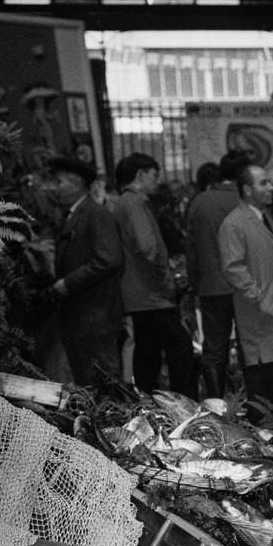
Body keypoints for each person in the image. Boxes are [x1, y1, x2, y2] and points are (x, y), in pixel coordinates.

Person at [218, 163, 273, 416]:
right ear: (247, 189)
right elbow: (233, 268)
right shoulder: (234, 223)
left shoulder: (263, 217)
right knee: (261, 385)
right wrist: (258, 295)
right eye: (263, 183)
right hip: (258, 312)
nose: (270, 187)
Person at [112, 152, 197, 397]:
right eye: (153, 175)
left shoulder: (125, 202)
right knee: (179, 346)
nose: (156, 182)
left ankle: (144, 399)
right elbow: (147, 247)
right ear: (140, 175)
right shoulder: (133, 203)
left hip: (140, 295)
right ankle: (184, 401)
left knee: (148, 352)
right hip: (150, 294)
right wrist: (164, 273)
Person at [43, 155, 124, 386]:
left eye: (59, 182)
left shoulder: (95, 215)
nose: (53, 188)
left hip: (95, 317)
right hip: (82, 318)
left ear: (77, 183)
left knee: (103, 383)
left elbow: (109, 259)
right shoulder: (75, 215)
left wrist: (67, 283)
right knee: (88, 382)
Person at [185, 149, 249, 397]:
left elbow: (192, 248)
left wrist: (195, 284)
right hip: (245, 287)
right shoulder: (245, 200)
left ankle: (216, 401)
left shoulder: (201, 201)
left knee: (214, 348)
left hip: (211, 286)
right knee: (249, 346)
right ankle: (251, 401)